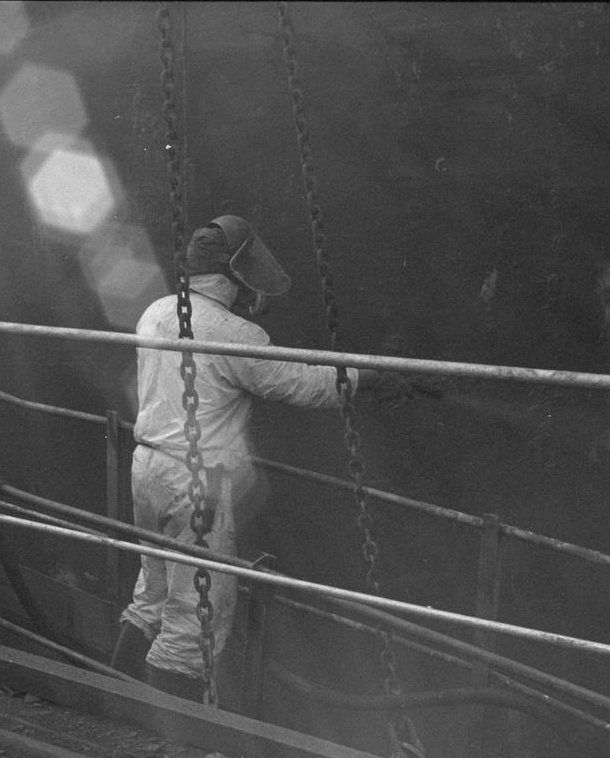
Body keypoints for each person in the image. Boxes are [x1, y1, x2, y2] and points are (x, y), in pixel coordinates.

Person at [111, 214, 399, 700]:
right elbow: (301, 384)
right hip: (195, 481)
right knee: (195, 616)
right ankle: (170, 740)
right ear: (233, 275)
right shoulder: (234, 332)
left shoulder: (157, 310)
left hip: (148, 467)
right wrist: (368, 375)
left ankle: (106, 696)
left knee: (153, 595)